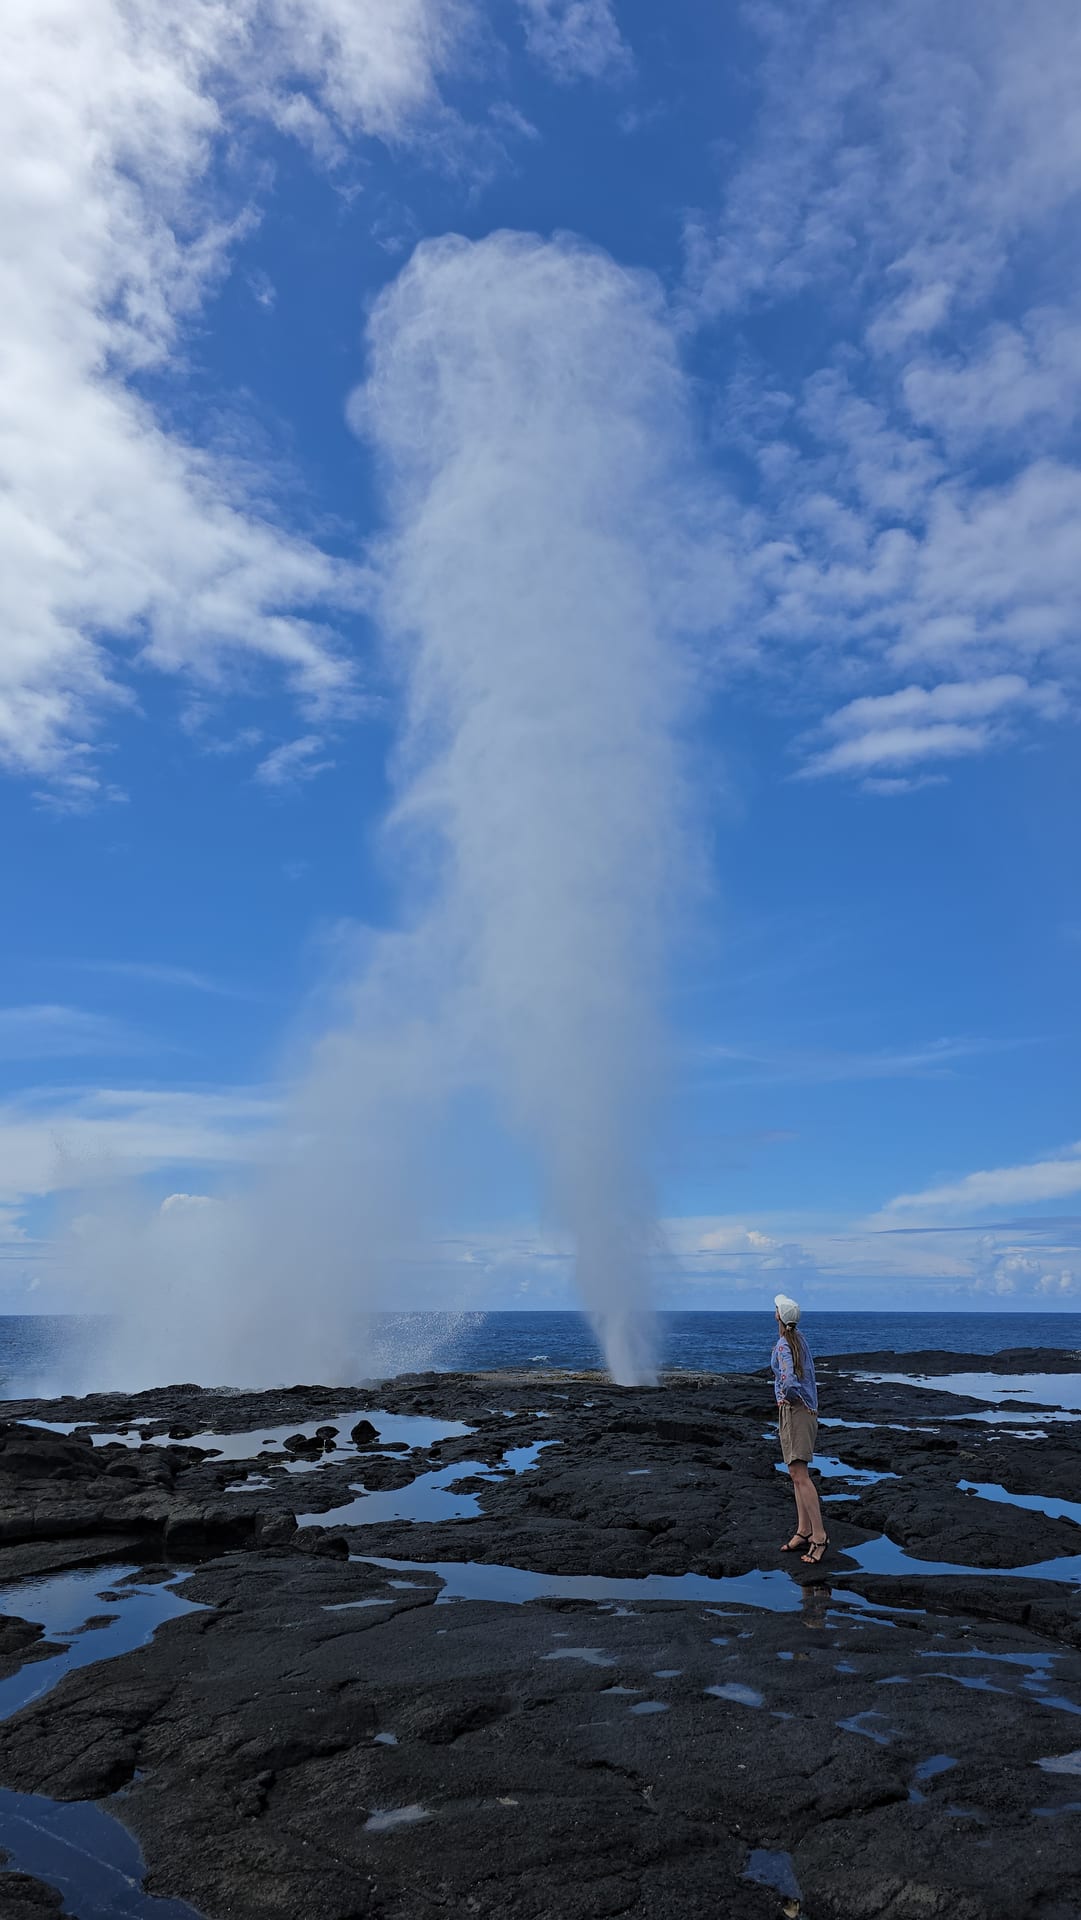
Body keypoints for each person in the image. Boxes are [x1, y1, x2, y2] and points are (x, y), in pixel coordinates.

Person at [771, 1293, 828, 1565]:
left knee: (800, 1475)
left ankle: (819, 1537)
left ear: (779, 1317)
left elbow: (790, 1381)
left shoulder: (784, 1345)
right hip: (805, 1411)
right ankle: (803, 1530)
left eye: (775, 1310)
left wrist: (786, 1398)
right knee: (796, 1473)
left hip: (796, 1412)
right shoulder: (799, 1340)